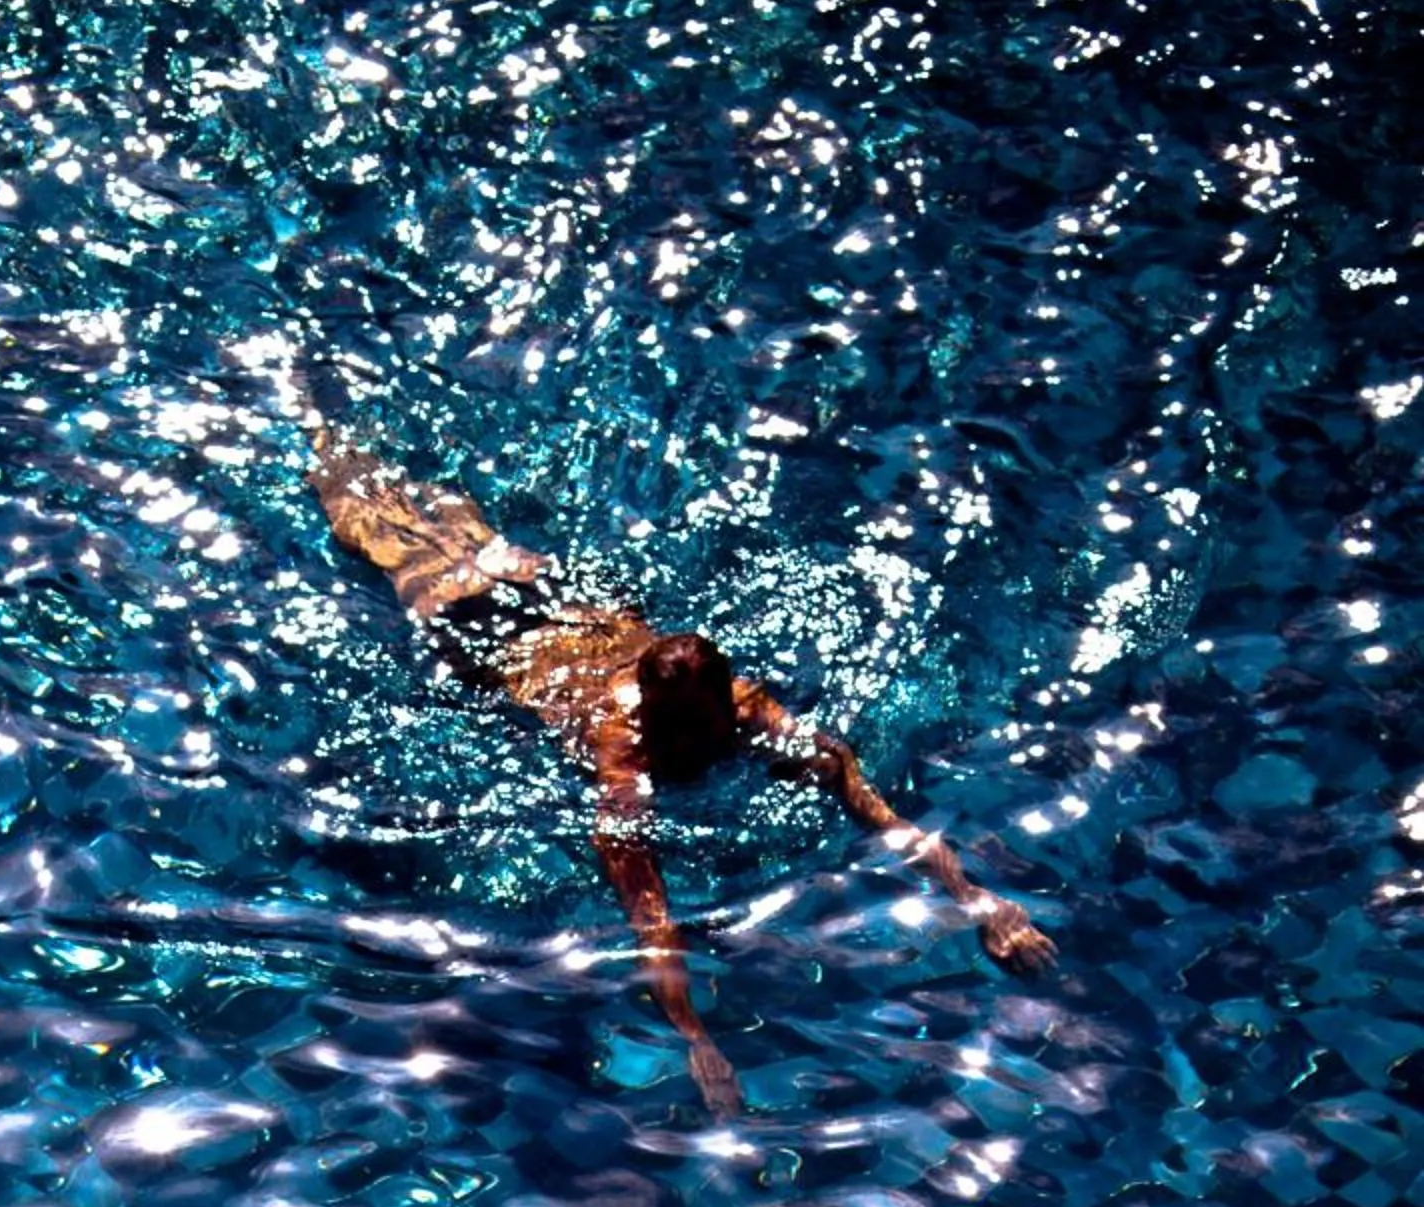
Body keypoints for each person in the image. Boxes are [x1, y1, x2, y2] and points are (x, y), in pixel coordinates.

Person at [307, 421, 1053, 1115]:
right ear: (658, 718)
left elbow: (880, 815)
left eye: (717, 715)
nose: (714, 730)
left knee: (449, 526)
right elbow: (651, 917)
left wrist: (980, 902)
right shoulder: (622, 757)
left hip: (559, 604)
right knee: (388, 534)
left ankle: (335, 426)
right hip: (490, 636)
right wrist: (697, 1036)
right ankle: (316, 420)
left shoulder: (752, 711)